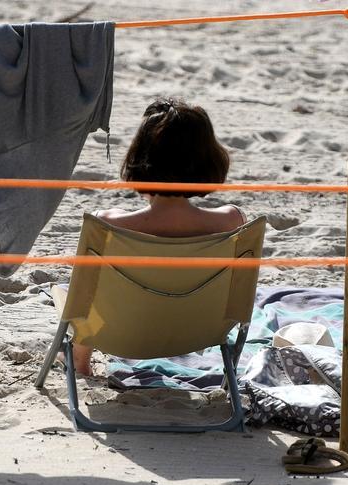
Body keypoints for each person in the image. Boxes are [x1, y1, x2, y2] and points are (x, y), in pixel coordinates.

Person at [60, 98, 246, 375]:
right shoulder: (232, 221)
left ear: (139, 157)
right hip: (199, 333)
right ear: (210, 160)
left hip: (121, 335)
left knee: (73, 294)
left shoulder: (107, 224)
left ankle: (80, 364)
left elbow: (85, 300)